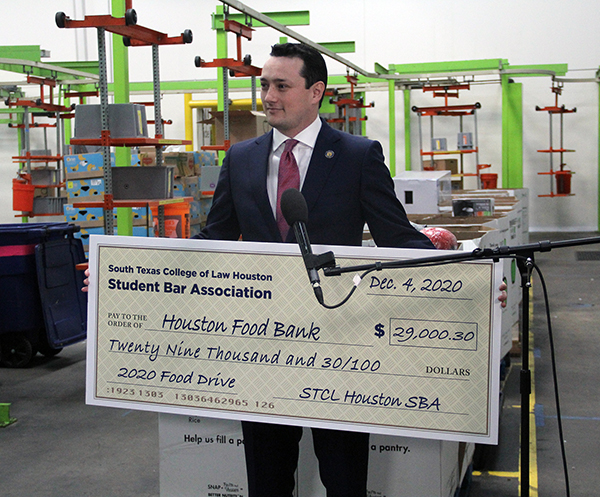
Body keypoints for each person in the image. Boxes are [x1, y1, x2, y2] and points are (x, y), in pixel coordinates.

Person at [83, 42, 506, 497]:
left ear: (315, 91)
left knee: (345, 480)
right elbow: (214, 241)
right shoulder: (242, 157)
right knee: (267, 480)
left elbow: (398, 241)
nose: (268, 96)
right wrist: (124, 273)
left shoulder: (356, 155)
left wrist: (470, 285)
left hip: (340, 344)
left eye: (281, 85)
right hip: (260, 348)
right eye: (264, 85)